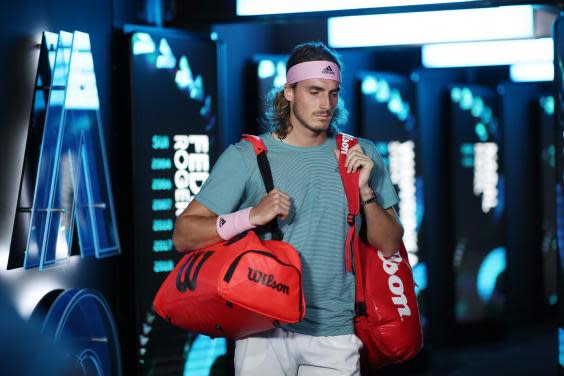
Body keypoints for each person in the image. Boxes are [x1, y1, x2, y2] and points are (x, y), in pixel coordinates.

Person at [172, 41, 404, 376]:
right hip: (262, 330)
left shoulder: (360, 153)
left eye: (333, 93)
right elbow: (183, 235)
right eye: (314, 91)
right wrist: (249, 216)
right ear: (289, 92)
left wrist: (365, 190)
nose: (326, 104)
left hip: (335, 332)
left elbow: (390, 243)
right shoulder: (247, 156)